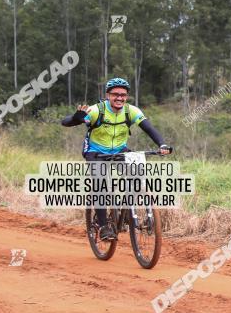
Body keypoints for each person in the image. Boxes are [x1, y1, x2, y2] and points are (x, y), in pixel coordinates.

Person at [61, 77, 170, 240]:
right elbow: (65, 122)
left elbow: (149, 128)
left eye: (123, 95)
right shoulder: (97, 110)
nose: (119, 98)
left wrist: (162, 144)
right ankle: (104, 226)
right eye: (115, 94)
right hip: (95, 151)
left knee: (137, 175)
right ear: (107, 95)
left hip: (120, 150)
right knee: (101, 184)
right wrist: (76, 118)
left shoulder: (131, 111)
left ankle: (128, 209)